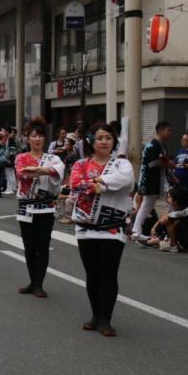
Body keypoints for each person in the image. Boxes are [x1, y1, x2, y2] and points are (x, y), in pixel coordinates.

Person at [69, 123, 134, 337]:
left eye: (108, 137)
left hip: (112, 227)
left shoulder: (121, 164)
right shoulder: (80, 164)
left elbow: (127, 180)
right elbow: (77, 185)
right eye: (100, 138)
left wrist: (100, 182)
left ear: (114, 141)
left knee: (108, 273)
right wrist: (97, 185)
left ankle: (106, 318)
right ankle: (95, 314)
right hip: (86, 227)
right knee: (92, 273)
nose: (104, 141)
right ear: (92, 141)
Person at [15, 119, 65, 297]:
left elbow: (58, 172)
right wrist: (44, 170)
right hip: (26, 208)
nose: (37, 139)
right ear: (27, 138)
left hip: (45, 207)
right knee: (29, 246)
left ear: (45, 139)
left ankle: (39, 284)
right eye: (33, 136)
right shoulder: (21, 157)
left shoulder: (54, 158)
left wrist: (39, 170)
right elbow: (22, 174)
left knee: (42, 246)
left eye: (40, 136)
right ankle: (32, 281)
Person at [132, 121, 173, 241]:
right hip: (151, 180)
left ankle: (141, 231)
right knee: (148, 205)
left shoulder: (160, 145)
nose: (170, 133)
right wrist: (165, 162)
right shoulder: (152, 145)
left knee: (168, 202)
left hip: (160, 180)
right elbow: (150, 164)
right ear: (160, 130)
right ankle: (139, 231)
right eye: (168, 130)